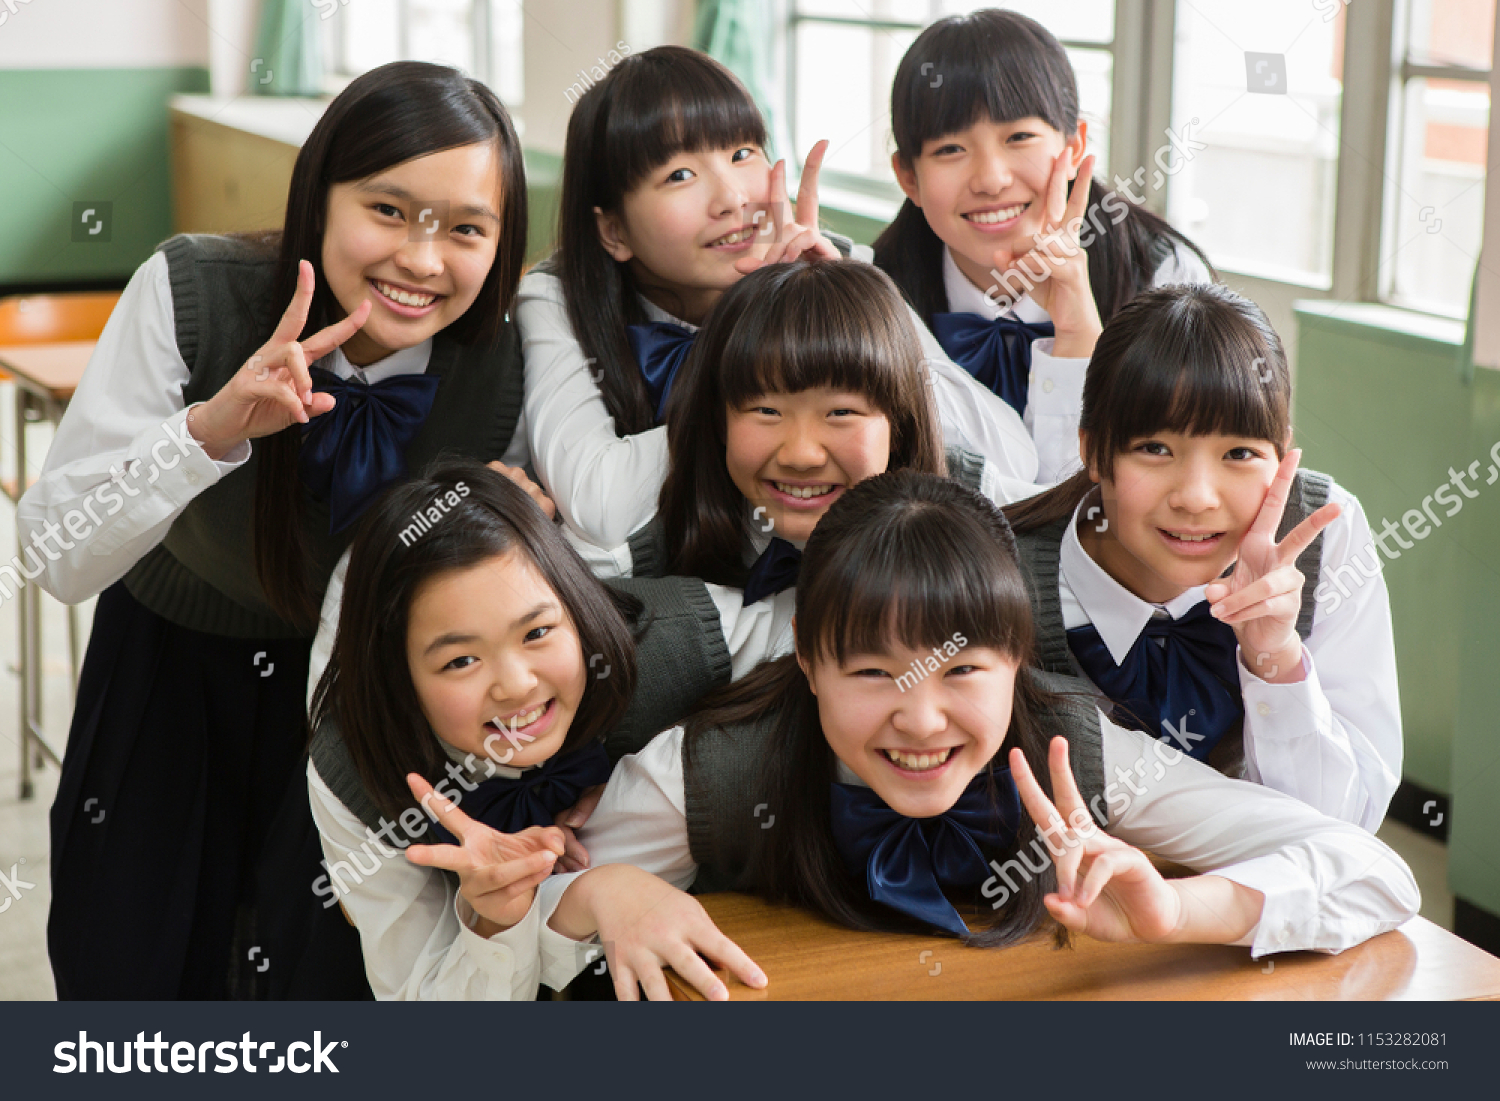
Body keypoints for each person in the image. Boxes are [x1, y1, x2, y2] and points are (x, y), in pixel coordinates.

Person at [19, 60, 532, 998]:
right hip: (170, 678)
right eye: (388, 209)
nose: (423, 259)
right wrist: (206, 434)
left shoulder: (508, 355)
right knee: (129, 967)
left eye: (465, 228)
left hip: (368, 709)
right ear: (319, 196)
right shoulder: (192, 292)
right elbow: (51, 552)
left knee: (330, 987)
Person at [562, 470, 1417, 996]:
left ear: (1018, 661)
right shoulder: (705, 773)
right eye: (871, 673)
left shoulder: (1072, 751)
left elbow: (1374, 870)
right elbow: (490, 941)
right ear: (806, 658)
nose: (922, 719)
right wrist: (601, 893)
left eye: (963, 670)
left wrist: (1176, 907)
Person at [519, 45, 1039, 552]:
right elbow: (598, 506)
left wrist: (865, 313)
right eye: (679, 174)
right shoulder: (556, 298)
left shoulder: (826, 260)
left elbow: (1010, 459)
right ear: (613, 232)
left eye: (742, 153)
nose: (733, 199)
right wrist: (744, 338)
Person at [306, 460, 767, 999]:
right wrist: (497, 923)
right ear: (398, 675)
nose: (516, 685)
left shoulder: (677, 634)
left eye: (538, 632)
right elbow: (418, 998)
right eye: (460, 661)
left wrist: (675, 765)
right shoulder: (357, 768)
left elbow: (818, 650)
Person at [1005, 284, 1401, 830]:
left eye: (1239, 453)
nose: (1196, 497)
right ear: (1093, 450)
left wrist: (1276, 658)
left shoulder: (1323, 535)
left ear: (1281, 453)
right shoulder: (1004, 568)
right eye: (1155, 449)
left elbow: (1342, 827)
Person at [873, 8, 1214, 482]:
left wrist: (1078, 331)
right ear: (908, 176)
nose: (991, 179)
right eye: (950, 149)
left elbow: (1164, 488)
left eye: (1019, 136)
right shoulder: (882, 294)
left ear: (1074, 147)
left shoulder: (1165, 277)